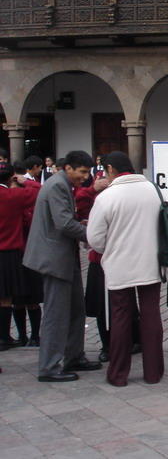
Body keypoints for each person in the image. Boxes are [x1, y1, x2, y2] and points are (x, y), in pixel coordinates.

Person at [87, 152, 163, 387]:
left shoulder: (107, 197)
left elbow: (95, 238)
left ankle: (118, 374)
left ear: (110, 169)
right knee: (151, 314)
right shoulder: (153, 191)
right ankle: (153, 372)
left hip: (120, 263)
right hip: (151, 260)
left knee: (120, 316)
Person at [24, 150, 101, 382]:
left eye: (88, 172)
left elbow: (67, 219)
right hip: (54, 258)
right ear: (69, 168)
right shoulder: (57, 185)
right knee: (56, 314)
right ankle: (49, 366)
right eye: (82, 172)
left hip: (65, 256)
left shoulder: (62, 184)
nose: (85, 177)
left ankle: (74, 355)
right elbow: (64, 223)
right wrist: (93, 235)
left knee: (76, 308)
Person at [0, 162, 41, 351]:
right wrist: (25, 181)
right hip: (10, 252)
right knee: (7, 297)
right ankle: (6, 338)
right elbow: (38, 191)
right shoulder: (12, 196)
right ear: (10, 178)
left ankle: (6, 335)